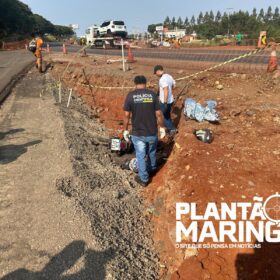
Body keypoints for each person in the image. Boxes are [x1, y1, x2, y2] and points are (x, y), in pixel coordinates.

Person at [123, 76, 165, 187]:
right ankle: (152, 169)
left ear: (135, 83)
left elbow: (127, 115)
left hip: (138, 133)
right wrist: (162, 127)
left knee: (141, 155)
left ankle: (144, 179)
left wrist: (125, 130)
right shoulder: (152, 95)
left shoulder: (130, 96)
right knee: (151, 152)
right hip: (152, 132)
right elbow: (159, 114)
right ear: (145, 83)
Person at [154, 65, 176, 135]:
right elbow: (174, 85)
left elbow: (165, 89)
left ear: (158, 71)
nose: (156, 75)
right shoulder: (169, 76)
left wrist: (165, 101)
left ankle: (172, 130)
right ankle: (170, 129)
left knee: (165, 116)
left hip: (165, 101)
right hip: (171, 100)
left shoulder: (162, 79)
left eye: (155, 73)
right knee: (167, 115)